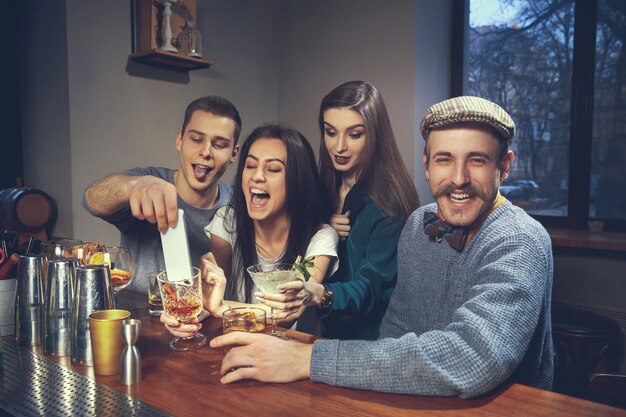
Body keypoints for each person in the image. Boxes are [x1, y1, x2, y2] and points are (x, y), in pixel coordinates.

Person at [209, 96, 554, 399]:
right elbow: (395, 333)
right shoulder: (420, 224)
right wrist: (301, 348)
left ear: (504, 166)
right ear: (427, 164)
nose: (459, 178)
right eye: (444, 159)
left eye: (477, 160)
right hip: (417, 398)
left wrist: (308, 359)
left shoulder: (519, 240)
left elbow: (470, 358)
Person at [256, 81, 420, 340]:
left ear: (374, 136)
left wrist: (321, 294)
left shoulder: (389, 202)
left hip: (368, 342)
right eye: (331, 132)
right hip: (320, 334)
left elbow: (371, 289)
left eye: (354, 134)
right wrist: (322, 224)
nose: (339, 146)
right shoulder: (323, 184)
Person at [161, 123, 339, 337]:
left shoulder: (321, 238)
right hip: (235, 347)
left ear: (297, 182)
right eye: (250, 165)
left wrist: (221, 308)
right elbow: (210, 296)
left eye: (273, 169)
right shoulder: (228, 221)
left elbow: (287, 313)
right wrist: (186, 313)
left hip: (289, 356)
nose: (257, 176)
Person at [83, 96, 241, 293]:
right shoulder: (148, 181)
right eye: (197, 139)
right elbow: (91, 198)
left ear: (234, 154)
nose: (206, 152)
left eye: (219, 145)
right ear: (179, 140)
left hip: (207, 320)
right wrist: (134, 186)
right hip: (141, 319)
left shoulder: (240, 203)